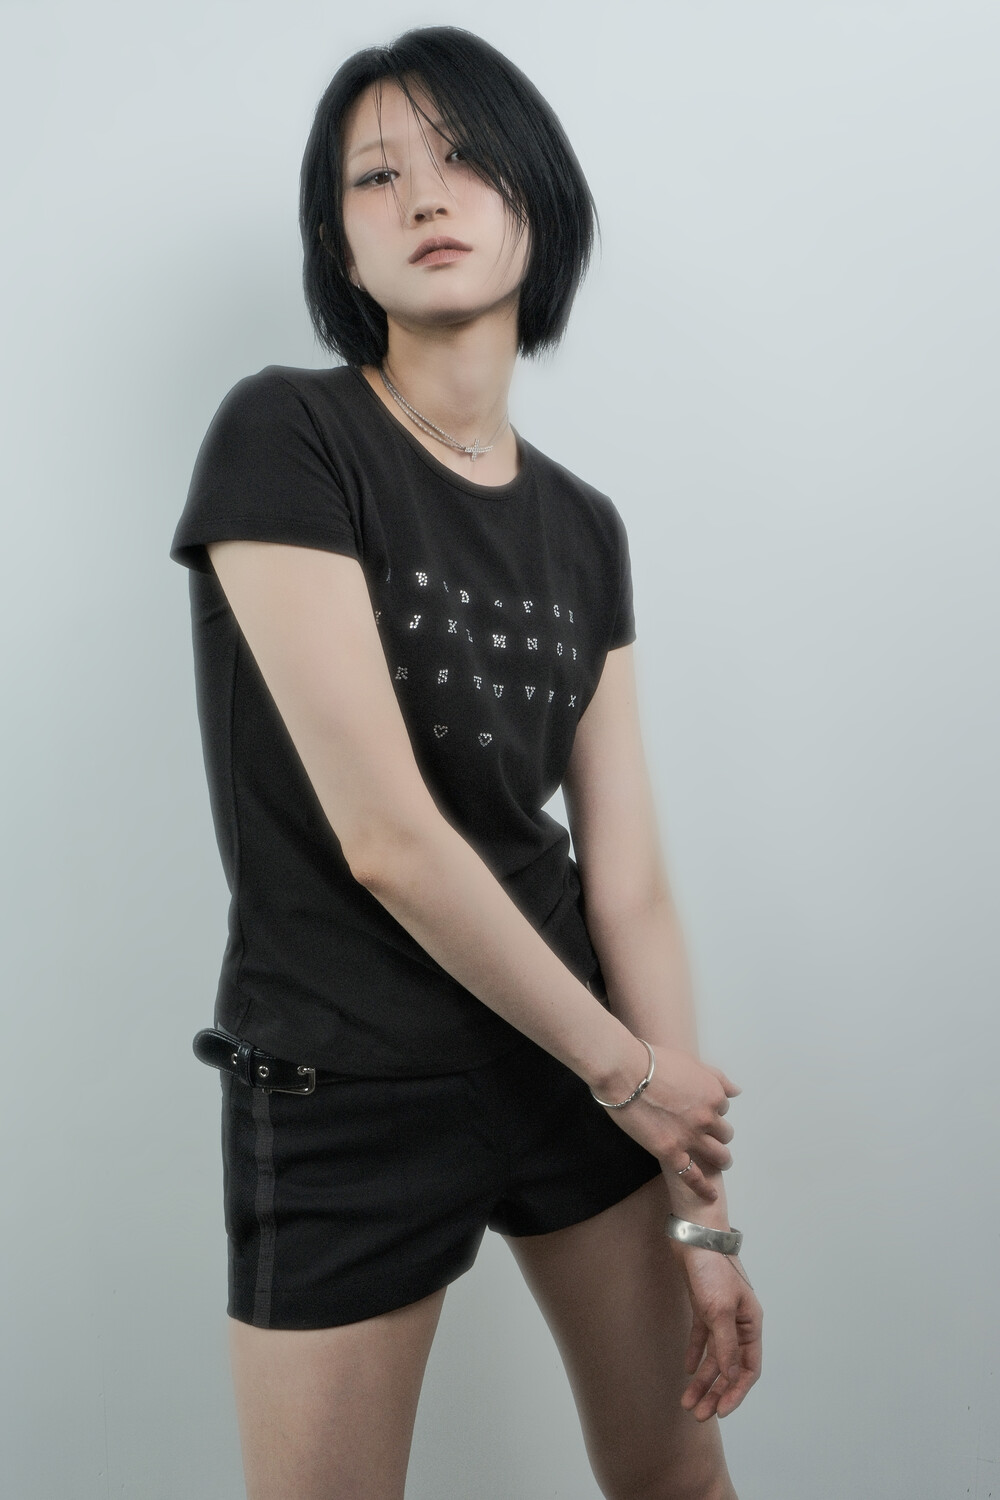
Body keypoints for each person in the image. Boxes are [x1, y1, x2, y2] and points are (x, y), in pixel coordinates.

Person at [169, 24, 762, 1500]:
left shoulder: (585, 526)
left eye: (464, 159)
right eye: (376, 175)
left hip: (570, 1060)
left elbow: (628, 883)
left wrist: (698, 1215)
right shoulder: (288, 435)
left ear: (536, 205)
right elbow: (386, 837)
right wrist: (630, 1073)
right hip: (349, 1077)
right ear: (339, 243)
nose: (425, 195)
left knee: (680, 1482)